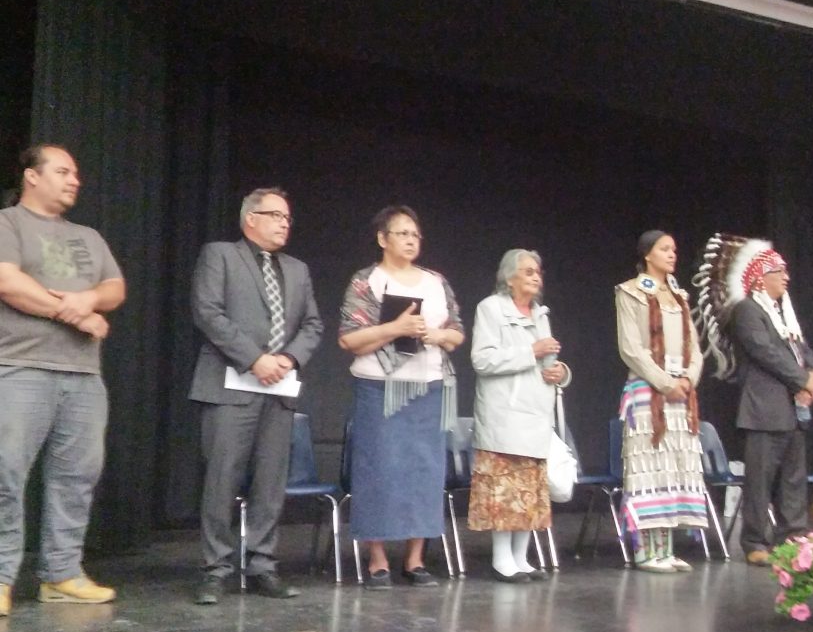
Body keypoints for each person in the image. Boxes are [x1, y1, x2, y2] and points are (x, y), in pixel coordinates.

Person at [0, 144, 125, 617]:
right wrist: (73, 313)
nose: (75, 180)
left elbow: (115, 288)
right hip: (18, 369)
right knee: (5, 474)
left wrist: (88, 298)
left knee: (77, 477)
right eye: (63, 171)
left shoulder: (88, 236)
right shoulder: (7, 224)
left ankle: (61, 574)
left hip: (83, 376)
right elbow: (6, 281)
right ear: (32, 176)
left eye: (76, 173)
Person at [189, 187, 324, 604]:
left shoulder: (298, 269)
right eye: (275, 215)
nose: (285, 223)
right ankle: (216, 569)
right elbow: (208, 312)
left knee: (270, 484)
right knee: (221, 480)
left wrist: (288, 359)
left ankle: (263, 564)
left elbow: (313, 325)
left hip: (279, 390)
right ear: (250, 219)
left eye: (287, 218)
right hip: (231, 387)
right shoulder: (221, 255)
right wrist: (254, 359)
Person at [338, 205, 464, 589]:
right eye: (402, 234)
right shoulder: (366, 280)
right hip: (380, 389)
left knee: (425, 472)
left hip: (429, 388)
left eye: (415, 235)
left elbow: (457, 332)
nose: (411, 240)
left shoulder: (435, 281)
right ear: (382, 239)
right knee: (379, 469)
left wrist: (436, 335)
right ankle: (377, 559)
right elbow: (349, 339)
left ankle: (415, 559)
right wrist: (395, 327)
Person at [469, 249, 571, 583]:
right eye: (528, 272)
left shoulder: (541, 314)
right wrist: (531, 351)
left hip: (536, 414)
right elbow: (482, 360)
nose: (536, 277)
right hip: (504, 414)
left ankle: (521, 558)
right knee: (506, 492)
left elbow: (547, 364)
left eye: (538, 271)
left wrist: (560, 372)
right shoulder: (490, 308)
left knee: (529, 492)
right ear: (509, 277)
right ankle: (501, 560)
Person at [615, 230, 707, 573]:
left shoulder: (680, 296)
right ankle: (646, 551)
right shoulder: (630, 292)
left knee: (675, 464)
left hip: (680, 393)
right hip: (648, 388)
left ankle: (666, 548)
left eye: (674, 249)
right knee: (648, 465)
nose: (672, 254)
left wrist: (687, 379)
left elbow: (694, 347)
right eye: (664, 249)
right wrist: (665, 382)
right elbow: (631, 347)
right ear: (648, 254)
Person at [728, 247, 813, 566]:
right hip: (764, 408)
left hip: (793, 408)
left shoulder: (783, 313)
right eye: (779, 273)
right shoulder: (748, 310)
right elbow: (764, 351)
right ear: (760, 278)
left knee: (794, 477)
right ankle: (755, 541)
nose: (786, 278)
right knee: (760, 479)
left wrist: (812, 372)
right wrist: (802, 381)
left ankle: (793, 535)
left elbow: (800, 347)